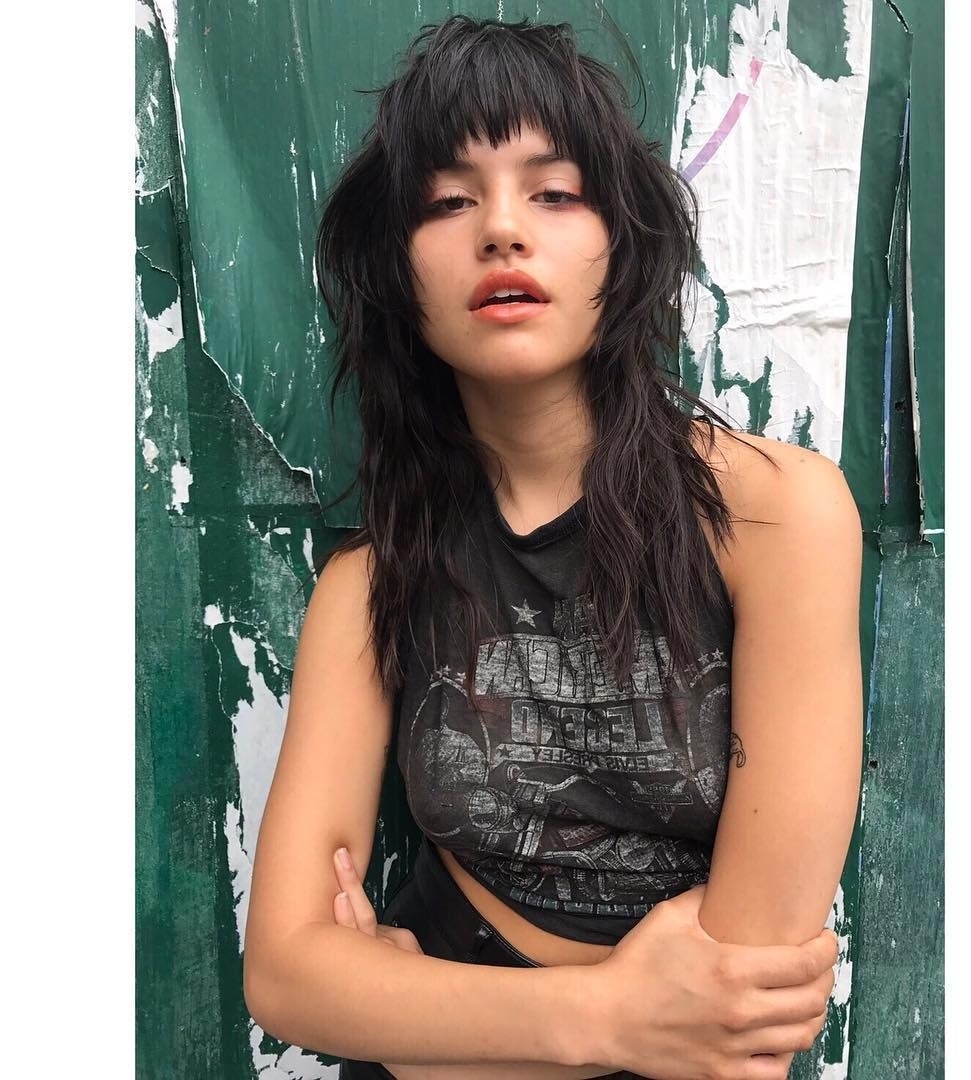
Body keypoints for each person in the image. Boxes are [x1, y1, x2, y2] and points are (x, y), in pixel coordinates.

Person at [243, 15, 862, 1080]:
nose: (501, 229)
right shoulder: (370, 583)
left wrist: (427, 1041)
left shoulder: (778, 516)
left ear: (622, 243)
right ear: (399, 272)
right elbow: (288, 976)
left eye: (555, 192)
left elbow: (741, 1006)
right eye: (448, 201)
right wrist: (604, 1021)